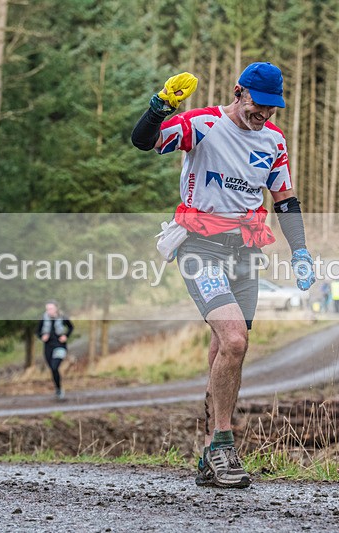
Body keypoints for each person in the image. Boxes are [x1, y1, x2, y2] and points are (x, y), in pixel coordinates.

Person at [131, 62, 315, 489]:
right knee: (235, 338)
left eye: (273, 107)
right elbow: (144, 141)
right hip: (200, 246)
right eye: (259, 104)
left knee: (226, 347)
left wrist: (301, 249)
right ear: (238, 92)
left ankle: (211, 451)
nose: (264, 114)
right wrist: (160, 106)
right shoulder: (203, 124)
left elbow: (284, 197)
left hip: (246, 251)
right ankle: (222, 444)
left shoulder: (273, 140)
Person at [36, 300, 73, 400]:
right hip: (48, 347)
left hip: (60, 346)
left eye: (51, 308)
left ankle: (59, 391)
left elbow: (71, 327)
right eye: (47, 309)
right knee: (52, 369)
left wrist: (66, 336)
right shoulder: (44, 319)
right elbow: (37, 332)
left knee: (54, 366)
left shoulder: (63, 317)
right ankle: (58, 388)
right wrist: (42, 336)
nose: (49, 311)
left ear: (56, 308)